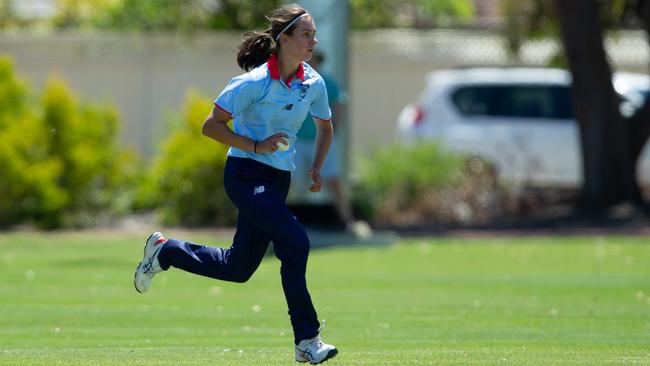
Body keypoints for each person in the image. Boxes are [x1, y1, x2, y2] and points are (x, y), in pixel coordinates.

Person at [133, 5, 338, 364]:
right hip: (244, 173)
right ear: (284, 38)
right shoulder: (253, 83)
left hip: (278, 178)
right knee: (296, 242)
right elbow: (211, 126)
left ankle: (165, 251)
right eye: (306, 34)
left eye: (314, 34)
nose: (313, 40)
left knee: (237, 269)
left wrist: (318, 167)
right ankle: (307, 340)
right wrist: (257, 145)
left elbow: (325, 127)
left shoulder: (313, 83)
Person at [294, 51, 371, 239]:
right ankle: (273, 223)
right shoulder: (292, 81)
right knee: (286, 181)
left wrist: (332, 130)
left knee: (333, 181)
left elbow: (338, 105)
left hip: (320, 140)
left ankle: (348, 222)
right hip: (296, 140)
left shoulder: (326, 82)